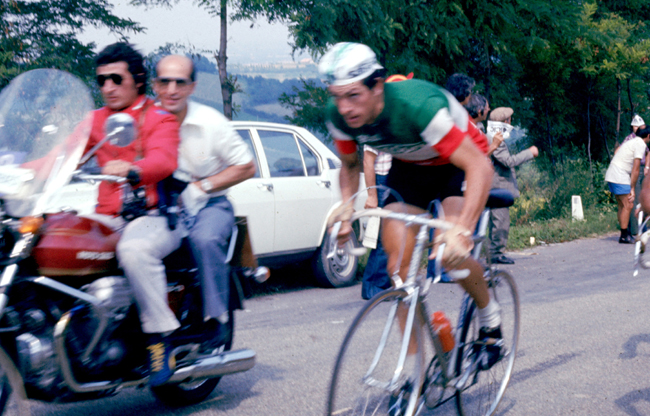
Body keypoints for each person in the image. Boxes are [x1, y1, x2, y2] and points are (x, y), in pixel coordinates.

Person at [319, 42, 502, 369]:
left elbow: (479, 167)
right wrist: (346, 208)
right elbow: (349, 165)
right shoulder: (341, 115)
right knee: (400, 277)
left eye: (353, 95)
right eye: (336, 96)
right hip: (410, 166)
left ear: (377, 85)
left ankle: (491, 321)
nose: (344, 108)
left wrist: (460, 231)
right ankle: (413, 377)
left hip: (458, 162)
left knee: (450, 256)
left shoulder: (418, 107)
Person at [84, 42, 181, 386]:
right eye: (101, 81)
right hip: (108, 216)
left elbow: (164, 159)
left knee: (134, 250)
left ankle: (159, 338)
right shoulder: (95, 121)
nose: (108, 87)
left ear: (137, 80)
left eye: (115, 78)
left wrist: (134, 169)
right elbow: (59, 153)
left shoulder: (159, 118)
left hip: (155, 216)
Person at [153, 55, 256, 346]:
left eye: (180, 82)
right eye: (164, 82)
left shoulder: (211, 122)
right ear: (154, 85)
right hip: (161, 204)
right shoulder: (145, 120)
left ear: (192, 87)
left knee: (205, 239)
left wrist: (202, 187)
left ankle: (217, 319)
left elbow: (247, 166)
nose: (172, 89)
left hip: (211, 203)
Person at [488, 107, 538, 264]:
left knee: (499, 221)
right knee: (500, 222)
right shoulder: (494, 138)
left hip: (496, 185)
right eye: (509, 119)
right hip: (497, 186)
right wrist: (530, 153)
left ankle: (495, 253)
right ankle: (496, 254)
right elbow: (508, 161)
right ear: (505, 121)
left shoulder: (494, 135)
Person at [607, 127, 650, 243]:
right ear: (648, 136)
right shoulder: (641, 145)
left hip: (612, 173)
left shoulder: (632, 141)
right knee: (629, 205)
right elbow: (636, 169)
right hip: (619, 174)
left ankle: (624, 233)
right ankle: (624, 235)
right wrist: (632, 188)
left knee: (622, 205)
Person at [361, 145, 392, 299]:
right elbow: (368, 160)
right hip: (382, 180)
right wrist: (372, 194)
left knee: (392, 236)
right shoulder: (374, 125)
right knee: (384, 238)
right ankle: (373, 287)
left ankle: (383, 284)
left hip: (395, 178)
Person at [623, 115, 648, 235]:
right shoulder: (629, 139)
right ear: (633, 127)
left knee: (644, 197)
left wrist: (647, 167)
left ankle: (643, 225)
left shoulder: (644, 138)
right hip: (634, 168)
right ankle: (634, 229)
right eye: (636, 126)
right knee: (635, 197)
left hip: (644, 169)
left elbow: (648, 153)